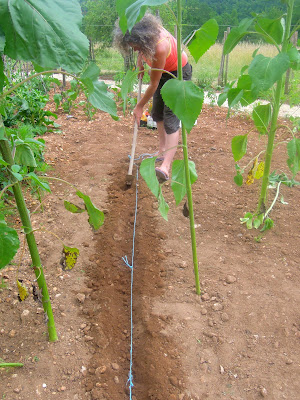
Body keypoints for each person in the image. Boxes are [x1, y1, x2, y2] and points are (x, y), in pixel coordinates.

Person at [114, 13, 192, 182]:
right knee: (157, 112)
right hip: (163, 72)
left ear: (142, 39)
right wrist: (140, 62)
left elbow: (154, 84)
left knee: (171, 116)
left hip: (178, 74)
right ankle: (162, 150)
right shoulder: (147, 36)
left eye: (135, 46)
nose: (134, 49)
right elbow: (143, 50)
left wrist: (139, 106)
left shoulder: (159, 47)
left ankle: (166, 167)